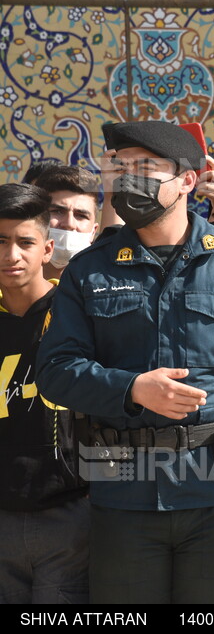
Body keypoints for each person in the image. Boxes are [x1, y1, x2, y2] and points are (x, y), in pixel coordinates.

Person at [35, 120, 214, 604]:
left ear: (187, 180)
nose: (130, 178)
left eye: (146, 167)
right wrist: (131, 388)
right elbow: (55, 372)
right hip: (121, 496)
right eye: (122, 167)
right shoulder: (88, 271)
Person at [0, 184, 88, 604]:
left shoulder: (74, 317)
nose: (11, 255)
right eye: (0, 242)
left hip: (67, 515)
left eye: (24, 242)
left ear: (47, 249)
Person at [30, 165, 100, 279]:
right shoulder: (7, 287)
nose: (69, 224)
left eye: (81, 216)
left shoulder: (102, 289)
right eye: (57, 211)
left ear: (93, 231)